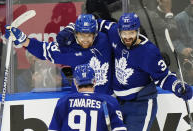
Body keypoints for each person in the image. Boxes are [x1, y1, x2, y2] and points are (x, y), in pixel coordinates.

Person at [57, 12, 193, 131]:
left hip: (141, 104)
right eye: (124, 33)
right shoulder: (113, 31)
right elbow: (92, 21)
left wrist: (178, 87)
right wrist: (71, 27)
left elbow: (164, 77)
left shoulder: (148, 52)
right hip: (118, 102)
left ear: (137, 31)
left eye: (131, 33)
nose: (128, 37)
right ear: (119, 30)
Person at [4, 14, 114, 95]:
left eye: (89, 36)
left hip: (106, 100)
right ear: (75, 34)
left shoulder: (105, 40)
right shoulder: (70, 49)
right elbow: (44, 50)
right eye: (81, 36)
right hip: (79, 101)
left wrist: (71, 25)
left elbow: (122, 30)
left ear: (95, 34)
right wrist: (23, 40)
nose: (85, 40)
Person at [48, 64, 127, 131]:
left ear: (75, 82)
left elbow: (53, 129)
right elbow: (119, 129)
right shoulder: (109, 101)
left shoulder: (64, 101)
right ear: (94, 81)